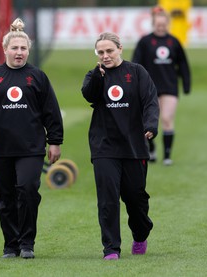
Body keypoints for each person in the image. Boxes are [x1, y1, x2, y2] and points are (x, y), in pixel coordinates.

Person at [0, 18, 63, 259]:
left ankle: (27, 243)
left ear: (28, 50)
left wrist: (55, 141)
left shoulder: (38, 77)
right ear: (5, 49)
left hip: (31, 148)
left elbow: (51, 111)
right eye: (15, 48)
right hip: (0, 149)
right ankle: (11, 245)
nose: (19, 53)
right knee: (5, 198)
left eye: (23, 48)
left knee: (28, 190)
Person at [81, 32, 159, 260]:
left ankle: (141, 233)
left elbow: (150, 101)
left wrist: (151, 124)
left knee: (136, 199)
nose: (105, 56)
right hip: (104, 146)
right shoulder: (95, 74)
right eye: (100, 52)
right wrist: (98, 76)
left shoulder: (137, 72)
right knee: (107, 198)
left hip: (134, 146)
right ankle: (111, 248)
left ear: (120, 49)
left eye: (109, 51)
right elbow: (89, 95)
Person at [132, 5, 191, 166]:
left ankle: (167, 155)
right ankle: (151, 149)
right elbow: (135, 64)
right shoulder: (145, 42)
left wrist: (186, 84)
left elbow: (183, 64)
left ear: (168, 24)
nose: (161, 27)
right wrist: (133, 83)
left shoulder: (174, 41)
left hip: (170, 86)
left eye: (163, 24)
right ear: (153, 24)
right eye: (158, 24)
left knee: (166, 118)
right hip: (150, 88)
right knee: (151, 121)